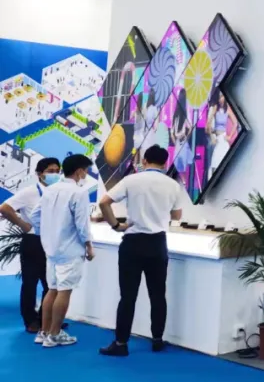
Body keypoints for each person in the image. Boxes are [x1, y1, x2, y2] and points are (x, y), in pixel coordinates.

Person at [98, 145, 187, 357]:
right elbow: (176, 216)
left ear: (144, 160)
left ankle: (121, 343)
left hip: (133, 243)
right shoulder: (173, 185)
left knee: (127, 296)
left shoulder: (131, 180)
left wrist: (116, 226)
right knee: (158, 295)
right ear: (165, 163)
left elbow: (104, 203)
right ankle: (157, 340)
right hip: (157, 243)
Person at [29, 154, 94, 348]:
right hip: (70, 249)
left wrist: (48, 231)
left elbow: (34, 215)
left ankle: (44, 332)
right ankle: (55, 334)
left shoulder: (50, 190)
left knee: (52, 290)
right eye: (86, 171)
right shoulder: (79, 193)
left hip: (51, 248)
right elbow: (82, 224)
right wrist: (89, 245)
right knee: (64, 292)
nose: (86, 175)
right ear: (79, 171)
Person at [1, 157, 61, 333]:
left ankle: (45, 319)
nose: (55, 174)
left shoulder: (59, 191)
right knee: (30, 283)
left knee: (51, 283)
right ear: (39, 174)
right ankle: (30, 321)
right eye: (50, 171)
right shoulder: (29, 192)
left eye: (57, 171)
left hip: (52, 241)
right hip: (33, 241)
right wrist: (23, 224)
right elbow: (4, 208)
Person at [206, 89, 231, 178]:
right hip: (215, 140)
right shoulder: (214, 109)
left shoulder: (227, 110)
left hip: (223, 139)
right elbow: (207, 126)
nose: (221, 99)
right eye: (220, 97)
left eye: (222, 96)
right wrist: (212, 136)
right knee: (214, 164)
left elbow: (235, 123)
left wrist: (230, 136)